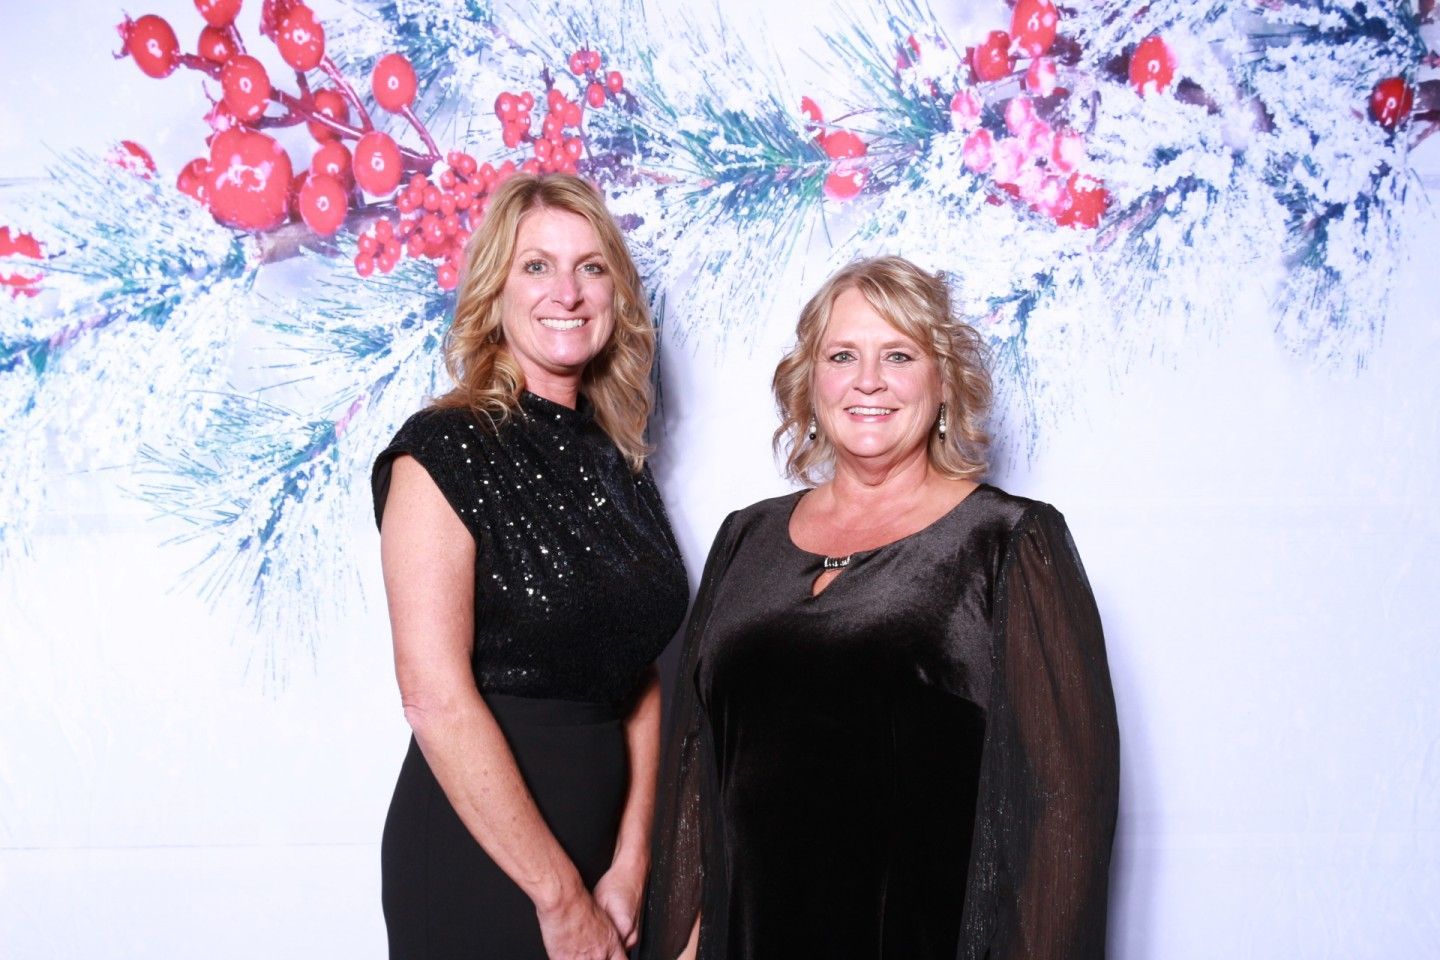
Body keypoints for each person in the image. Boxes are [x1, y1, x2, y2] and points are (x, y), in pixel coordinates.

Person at [639, 256, 1120, 960]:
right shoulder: (746, 537)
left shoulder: (1010, 541)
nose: (869, 380)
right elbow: (695, 770)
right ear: (811, 382)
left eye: (899, 355)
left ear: (944, 381)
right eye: (843, 356)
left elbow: (1065, 809)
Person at [372, 173, 688, 960]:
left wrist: (634, 861)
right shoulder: (442, 450)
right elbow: (433, 698)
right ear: (496, 293)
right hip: (483, 865)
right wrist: (558, 898)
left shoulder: (622, 463)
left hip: (607, 865)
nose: (569, 292)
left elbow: (641, 674)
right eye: (537, 266)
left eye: (592, 267)